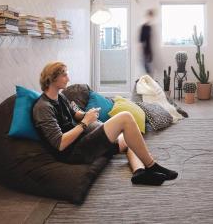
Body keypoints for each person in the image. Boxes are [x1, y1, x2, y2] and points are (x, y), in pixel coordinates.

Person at [32, 62, 178, 186]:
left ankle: (139, 173)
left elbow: (75, 114)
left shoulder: (60, 97)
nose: (68, 78)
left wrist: (88, 114)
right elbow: (60, 143)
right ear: (52, 78)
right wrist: (85, 123)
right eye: (64, 75)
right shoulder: (43, 107)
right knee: (125, 117)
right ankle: (152, 166)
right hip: (73, 152)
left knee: (131, 136)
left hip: (82, 140)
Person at [139, 9, 155, 75]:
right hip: (145, 51)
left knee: (150, 70)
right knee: (147, 70)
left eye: (151, 16)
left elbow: (149, 41)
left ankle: (149, 82)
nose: (151, 18)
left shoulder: (150, 27)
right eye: (150, 15)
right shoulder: (144, 27)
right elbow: (141, 40)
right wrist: (143, 52)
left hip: (149, 50)